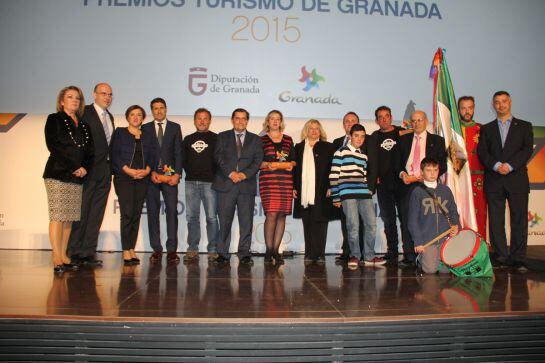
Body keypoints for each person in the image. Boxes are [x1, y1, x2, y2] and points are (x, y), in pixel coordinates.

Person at [477, 91, 533, 270]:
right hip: (494, 180)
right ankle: (500, 256)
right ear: (493, 105)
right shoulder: (486, 128)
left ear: (510, 102)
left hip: (516, 179)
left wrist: (509, 166)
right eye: (497, 102)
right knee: (496, 220)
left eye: (504, 101)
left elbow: (526, 150)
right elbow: (482, 152)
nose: (501, 105)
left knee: (519, 220)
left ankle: (518, 258)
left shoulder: (524, 126)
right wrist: (495, 165)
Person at [43, 86, 93, 273]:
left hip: (78, 175)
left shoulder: (83, 125)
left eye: (77, 98)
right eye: (70, 97)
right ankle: (56, 257)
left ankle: (64, 255)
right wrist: (74, 167)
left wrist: (85, 168)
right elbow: (53, 146)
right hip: (58, 173)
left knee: (69, 217)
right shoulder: (54, 119)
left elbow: (90, 152)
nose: (74, 100)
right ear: (62, 101)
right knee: (58, 215)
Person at [68, 83, 114, 267]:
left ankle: (88, 252)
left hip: (105, 171)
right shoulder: (84, 112)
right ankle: (73, 251)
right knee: (82, 211)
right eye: (103, 93)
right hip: (88, 171)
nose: (107, 97)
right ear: (94, 95)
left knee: (96, 213)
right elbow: (76, 141)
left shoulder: (109, 116)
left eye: (110, 94)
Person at [395, 110, 447, 266]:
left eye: (420, 120)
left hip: (428, 187)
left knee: (428, 220)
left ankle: (428, 256)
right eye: (414, 121)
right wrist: (402, 174)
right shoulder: (403, 140)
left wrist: (426, 176)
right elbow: (396, 163)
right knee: (406, 219)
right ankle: (410, 256)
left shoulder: (437, 141)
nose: (417, 123)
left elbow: (443, 165)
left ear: (426, 121)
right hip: (408, 185)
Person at [212, 108, 264, 265]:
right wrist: (231, 173)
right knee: (225, 221)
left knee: (246, 222)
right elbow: (217, 156)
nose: (240, 121)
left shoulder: (256, 139)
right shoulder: (222, 136)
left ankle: (244, 253)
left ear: (247, 121)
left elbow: (257, 160)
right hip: (226, 184)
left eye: (243, 119)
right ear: (232, 120)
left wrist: (243, 174)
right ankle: (222, 253)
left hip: (245, 185)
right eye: (237, 118)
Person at [330, 124, 384, 269]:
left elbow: (363, 176)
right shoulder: (340, 152)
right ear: (350, 136)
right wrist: (336, 197)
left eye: (362, 136)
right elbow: (334, 175)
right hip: (348, 194)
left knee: (371, 224)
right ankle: (354, 255)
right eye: (356, 136)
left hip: (364, 193)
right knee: (353, 226)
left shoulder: (363, 155)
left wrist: (367, 190)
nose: (359, 139)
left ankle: (369, 256)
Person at [111, 105, 158, 265]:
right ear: (127, 117)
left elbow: (152, 155)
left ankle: (131, 248)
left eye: (139, 115)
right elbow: (114, 155)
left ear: (143, 118)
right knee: (127, 213)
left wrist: (147, 170)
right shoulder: (120, 133)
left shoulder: (148, 136)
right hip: (124, 178)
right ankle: (125, 249)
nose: (136, 117)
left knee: (136, 214)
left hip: (142, 178)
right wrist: (128, 170)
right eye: (133, 114)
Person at [142, 98, 183, 264]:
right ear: (151, 111)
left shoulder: (175, 127)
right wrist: (150, 171)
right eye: (155, 109)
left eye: (161, 108)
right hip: (151, 177)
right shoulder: (144, 128)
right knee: (152, 213)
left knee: (172, 212)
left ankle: (172, 250)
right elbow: (143, 153)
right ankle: (156, 249)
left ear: (166, 109)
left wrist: (177, 174)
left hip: (170, 176)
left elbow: (178, 153)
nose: (159, 111)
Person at [293, 119, 335, 263]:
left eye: (317, 128)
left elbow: (332, 167)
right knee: (308, 222)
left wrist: (331, 185)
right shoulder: (298, 147)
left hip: (322, 190)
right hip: (304, 191)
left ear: (320, 131)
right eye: (311, 128)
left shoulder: (328, 147)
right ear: (306, 130)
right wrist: (294, 186)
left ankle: (320, 254)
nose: (314, 131)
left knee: (321, 222)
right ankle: (309, 254)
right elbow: (295, 169)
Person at [408, 157, 459, 274]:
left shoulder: (446, 190)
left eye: (435, 170)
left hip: (446, 238)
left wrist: (456, 226)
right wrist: (418, 242)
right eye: (428, 170)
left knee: (446, 271)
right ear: (422, 172)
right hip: (428, 240)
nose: (432, 173)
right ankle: (421, 258)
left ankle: (436, 259)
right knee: (430, 270)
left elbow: (453, 212)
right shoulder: (417, 192)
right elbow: (412, 220)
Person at [182, 108, 219, 262]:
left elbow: (220, 161)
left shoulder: (217, 139)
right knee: (192, 217)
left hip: (210, 183)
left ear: (209, 121)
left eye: (205, 118)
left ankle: (213, 249)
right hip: (191, 182)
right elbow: (183, 160)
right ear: (195, 120)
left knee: (211, 217)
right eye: (199, 118)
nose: (202, 121)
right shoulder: (188, 139)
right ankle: (192, 248)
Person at [259, 110, 296, 265]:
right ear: (268, 121)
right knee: (272, 214)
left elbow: (294, 161)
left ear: (281, 122)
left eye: (278, 119)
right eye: (272, 119)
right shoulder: (260, 139)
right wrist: (269, 164)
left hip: (286, 181)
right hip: (269, 181)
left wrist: (289, 164)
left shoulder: (288, 140)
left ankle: (276, 251)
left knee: (282, 215)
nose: (275, 121)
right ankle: (268, 251)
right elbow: (257, 163)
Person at [371, 106, 404, 262]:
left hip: (402, 183)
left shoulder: (402, 132)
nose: (384, 119)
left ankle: (410, 252)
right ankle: (392, 251)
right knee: (388, 219)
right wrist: (374, 176)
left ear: (391, 117)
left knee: (405, 218)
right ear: (377, 120)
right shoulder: (373, 137)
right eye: (380, 117)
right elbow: (370, 160)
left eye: (386, 116)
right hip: (383, 185)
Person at [458, 96, 487, 239]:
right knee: (461, 212)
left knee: (479, 212)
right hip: (460, 178)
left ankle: (480, 246)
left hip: (479, 178)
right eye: (463, 108)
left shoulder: (482, 130)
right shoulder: (454, 131)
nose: (467, 111)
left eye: (470, 107)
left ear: (474, 108)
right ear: (458, 109)